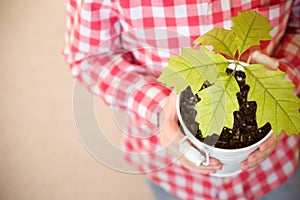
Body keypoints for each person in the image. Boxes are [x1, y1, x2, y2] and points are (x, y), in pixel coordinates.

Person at [62, 0, 300, 199]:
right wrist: (158, 108)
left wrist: (280, 87)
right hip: (171, 172)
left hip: (274, 169)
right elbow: (89, 57)